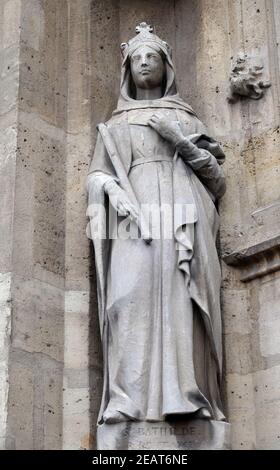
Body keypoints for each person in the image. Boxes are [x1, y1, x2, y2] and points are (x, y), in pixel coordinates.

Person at [87, 23, 226, 430]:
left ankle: (185, 393)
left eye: (153, 57)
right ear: (127, 70)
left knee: (180, 297)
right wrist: (111, 189)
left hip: (184, 213)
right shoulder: (115, 124)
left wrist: (178, 140)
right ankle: (125, 402)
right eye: (137, 58)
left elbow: (216, 180)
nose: (145, 63)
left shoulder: (185, 117)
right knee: (126, 299)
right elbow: (96, 175)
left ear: (167, 66)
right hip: (132, 215)